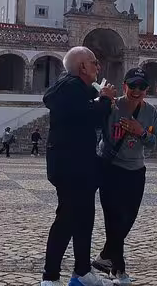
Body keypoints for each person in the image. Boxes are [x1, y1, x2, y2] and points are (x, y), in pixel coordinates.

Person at [41, 46, 116, 286]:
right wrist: (104, 98)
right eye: (94, 62)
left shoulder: (75, 88)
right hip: (70, 167)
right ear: (82, 66)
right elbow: (91, 115)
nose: (98, 66)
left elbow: (85, 115)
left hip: (81, 165)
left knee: (84, 218)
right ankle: (50, 277)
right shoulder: (70, 88)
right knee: (67, 219)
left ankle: (82, 273)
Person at [92, 67, 157, 285]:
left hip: (136, 172)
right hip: (111, 169)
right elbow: (94, 124)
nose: (136, 90)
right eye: (132, 85)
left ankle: (105, 256)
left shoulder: (150, 112)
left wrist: (140, 131)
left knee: (127, 220)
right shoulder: (114, 106)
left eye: (141, 86)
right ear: (124, 86)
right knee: (113, 220)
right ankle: (118, 270)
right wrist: (103, 98)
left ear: (146, 89)